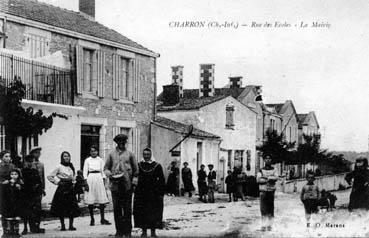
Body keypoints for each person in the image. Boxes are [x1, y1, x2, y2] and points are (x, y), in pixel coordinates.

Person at [104, 134, 138, 237]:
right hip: (115, 186)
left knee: (127, 209)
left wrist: (134, 183)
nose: (121, 144)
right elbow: (106, 168)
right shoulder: (111, 154)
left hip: (127, 185)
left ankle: (128, 232)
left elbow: (136, 170)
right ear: (116, 142)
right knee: (117, 209)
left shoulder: (130, 154)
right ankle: (119, 231)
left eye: (123, 142)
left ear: (125, 142)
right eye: (119, 142)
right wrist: (110, 174)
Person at [134, 148, 165, 237]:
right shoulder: (139, 165)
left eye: (148, 154)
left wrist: (160, 193)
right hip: (142, 192)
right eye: (145, 154)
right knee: (143, 212)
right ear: (143, 155)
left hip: (153, 193)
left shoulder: (157, 166)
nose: (146, 156)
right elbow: (135, 177)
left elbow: (162, 180)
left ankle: (153, 231)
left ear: (151, 155)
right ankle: (144, 231)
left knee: (153, 212)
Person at [47, 151, 80, 231]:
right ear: (62, 158)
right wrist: (57, 182)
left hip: (70, 188)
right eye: (65, 156)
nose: (67, 158)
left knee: (71, 206)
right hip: (62, 188)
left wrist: (74, 182)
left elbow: (73, 177)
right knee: (61, 207)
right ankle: (63, 225)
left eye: (68, 156)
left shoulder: (71, 166)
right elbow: (50, 176)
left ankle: (71, 225)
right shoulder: (59, 166)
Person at [83, 146, 110, 226]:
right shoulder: (87, 160)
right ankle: (92, 219)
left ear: (97, 152)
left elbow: (103, 171)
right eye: (91, 151)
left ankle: (102, 218)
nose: (93, 152)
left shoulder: (100, 160)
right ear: (90, 152)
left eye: (95, 151)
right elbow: (85, 171)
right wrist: (85, 182)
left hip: (99, 178)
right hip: (91, 178)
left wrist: (104, 180)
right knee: (91, 199)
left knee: (101, 200)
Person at [21, 155, 44, 234]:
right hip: (26, 193)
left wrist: (41, 190)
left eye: (32, 161)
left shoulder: (35, 171)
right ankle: (25, 228)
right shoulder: (23, 171)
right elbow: (22, 183)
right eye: (29, 161)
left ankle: (35, 227)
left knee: (37, 211)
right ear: (26, 162)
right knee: (26, 211)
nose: (31, 163)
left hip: (35, 193)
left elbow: (39, 181)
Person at [256, 155, 278, 232]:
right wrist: (269, 180)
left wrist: (266, 178)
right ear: (264, 160)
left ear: (271, 160)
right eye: (266, 158)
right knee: (263, 209)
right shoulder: (261, 170)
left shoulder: (274, 169)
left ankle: (270, 225)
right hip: (263, 191)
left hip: (271, 191)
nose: (268, 160)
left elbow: (276, 178)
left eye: (269, 158)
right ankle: (263, 225)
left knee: (270, 209)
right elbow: (258, 180)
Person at [1, 168, 23, 238]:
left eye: (15, 174)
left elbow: (23, 195)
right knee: (9, 218)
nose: (13, 176)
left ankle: (16, 232)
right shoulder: (7, 183)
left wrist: (19, 188)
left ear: (18, 175)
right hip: (9, 204)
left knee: (16, 218)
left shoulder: (20, 183)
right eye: (12, 174)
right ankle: (8, 232)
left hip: (17, 204)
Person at [30, 147, 45, 233]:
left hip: (39, 189)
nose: (38, 155)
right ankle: (31, 227)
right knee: (31, 208)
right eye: (36, 153)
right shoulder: (29, 164)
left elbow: (42, 177)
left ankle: (37, 226)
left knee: (38, 208)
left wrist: (43, 188)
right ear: (32, 154)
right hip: (31, 189)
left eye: (39, 153)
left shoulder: (41, 164)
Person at [0, 150, 15, 236]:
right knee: (3, 211)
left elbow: (17, 175)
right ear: (2, 157)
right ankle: (5, 230)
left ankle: (13, 230)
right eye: (6, 156)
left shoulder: (12, 166)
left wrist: (13, 180)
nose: (8, 158)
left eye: (9, 156)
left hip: (11, 190)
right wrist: (1, 182)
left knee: (12, 210)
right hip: (2, 191)